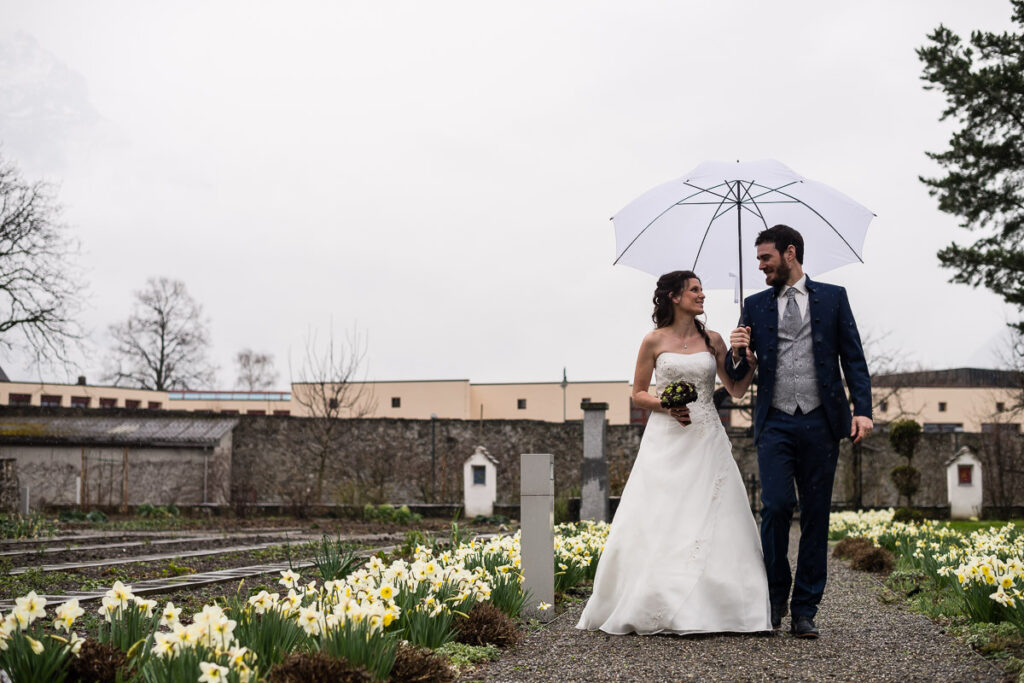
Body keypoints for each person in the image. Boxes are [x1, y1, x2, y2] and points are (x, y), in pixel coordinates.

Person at [577, 270, 771, 635]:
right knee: (662, 513)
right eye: (695, 290)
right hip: (666, 437)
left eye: (701, 290)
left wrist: (749, 361)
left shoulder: (713, 340)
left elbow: (736, 390)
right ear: (674, 297)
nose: (702, 296)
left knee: (713, 512)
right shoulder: (653, 341)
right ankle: (655, 597)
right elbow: (637, 393)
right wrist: (666, 404)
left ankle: (721, 604)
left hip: (706, 437)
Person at [726, 224, 872, 639]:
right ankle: (774, 596)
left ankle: (805, 607)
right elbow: (738, 378)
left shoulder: (833, 297)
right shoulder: (754, 306)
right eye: (757, 259)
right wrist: (739, 352)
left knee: (816, 515)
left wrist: (863, 410)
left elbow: (854, 358)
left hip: (822, 421)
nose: (760, 267)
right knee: (773, 506)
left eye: (766, 258)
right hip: (775, 421)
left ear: (790, 253)